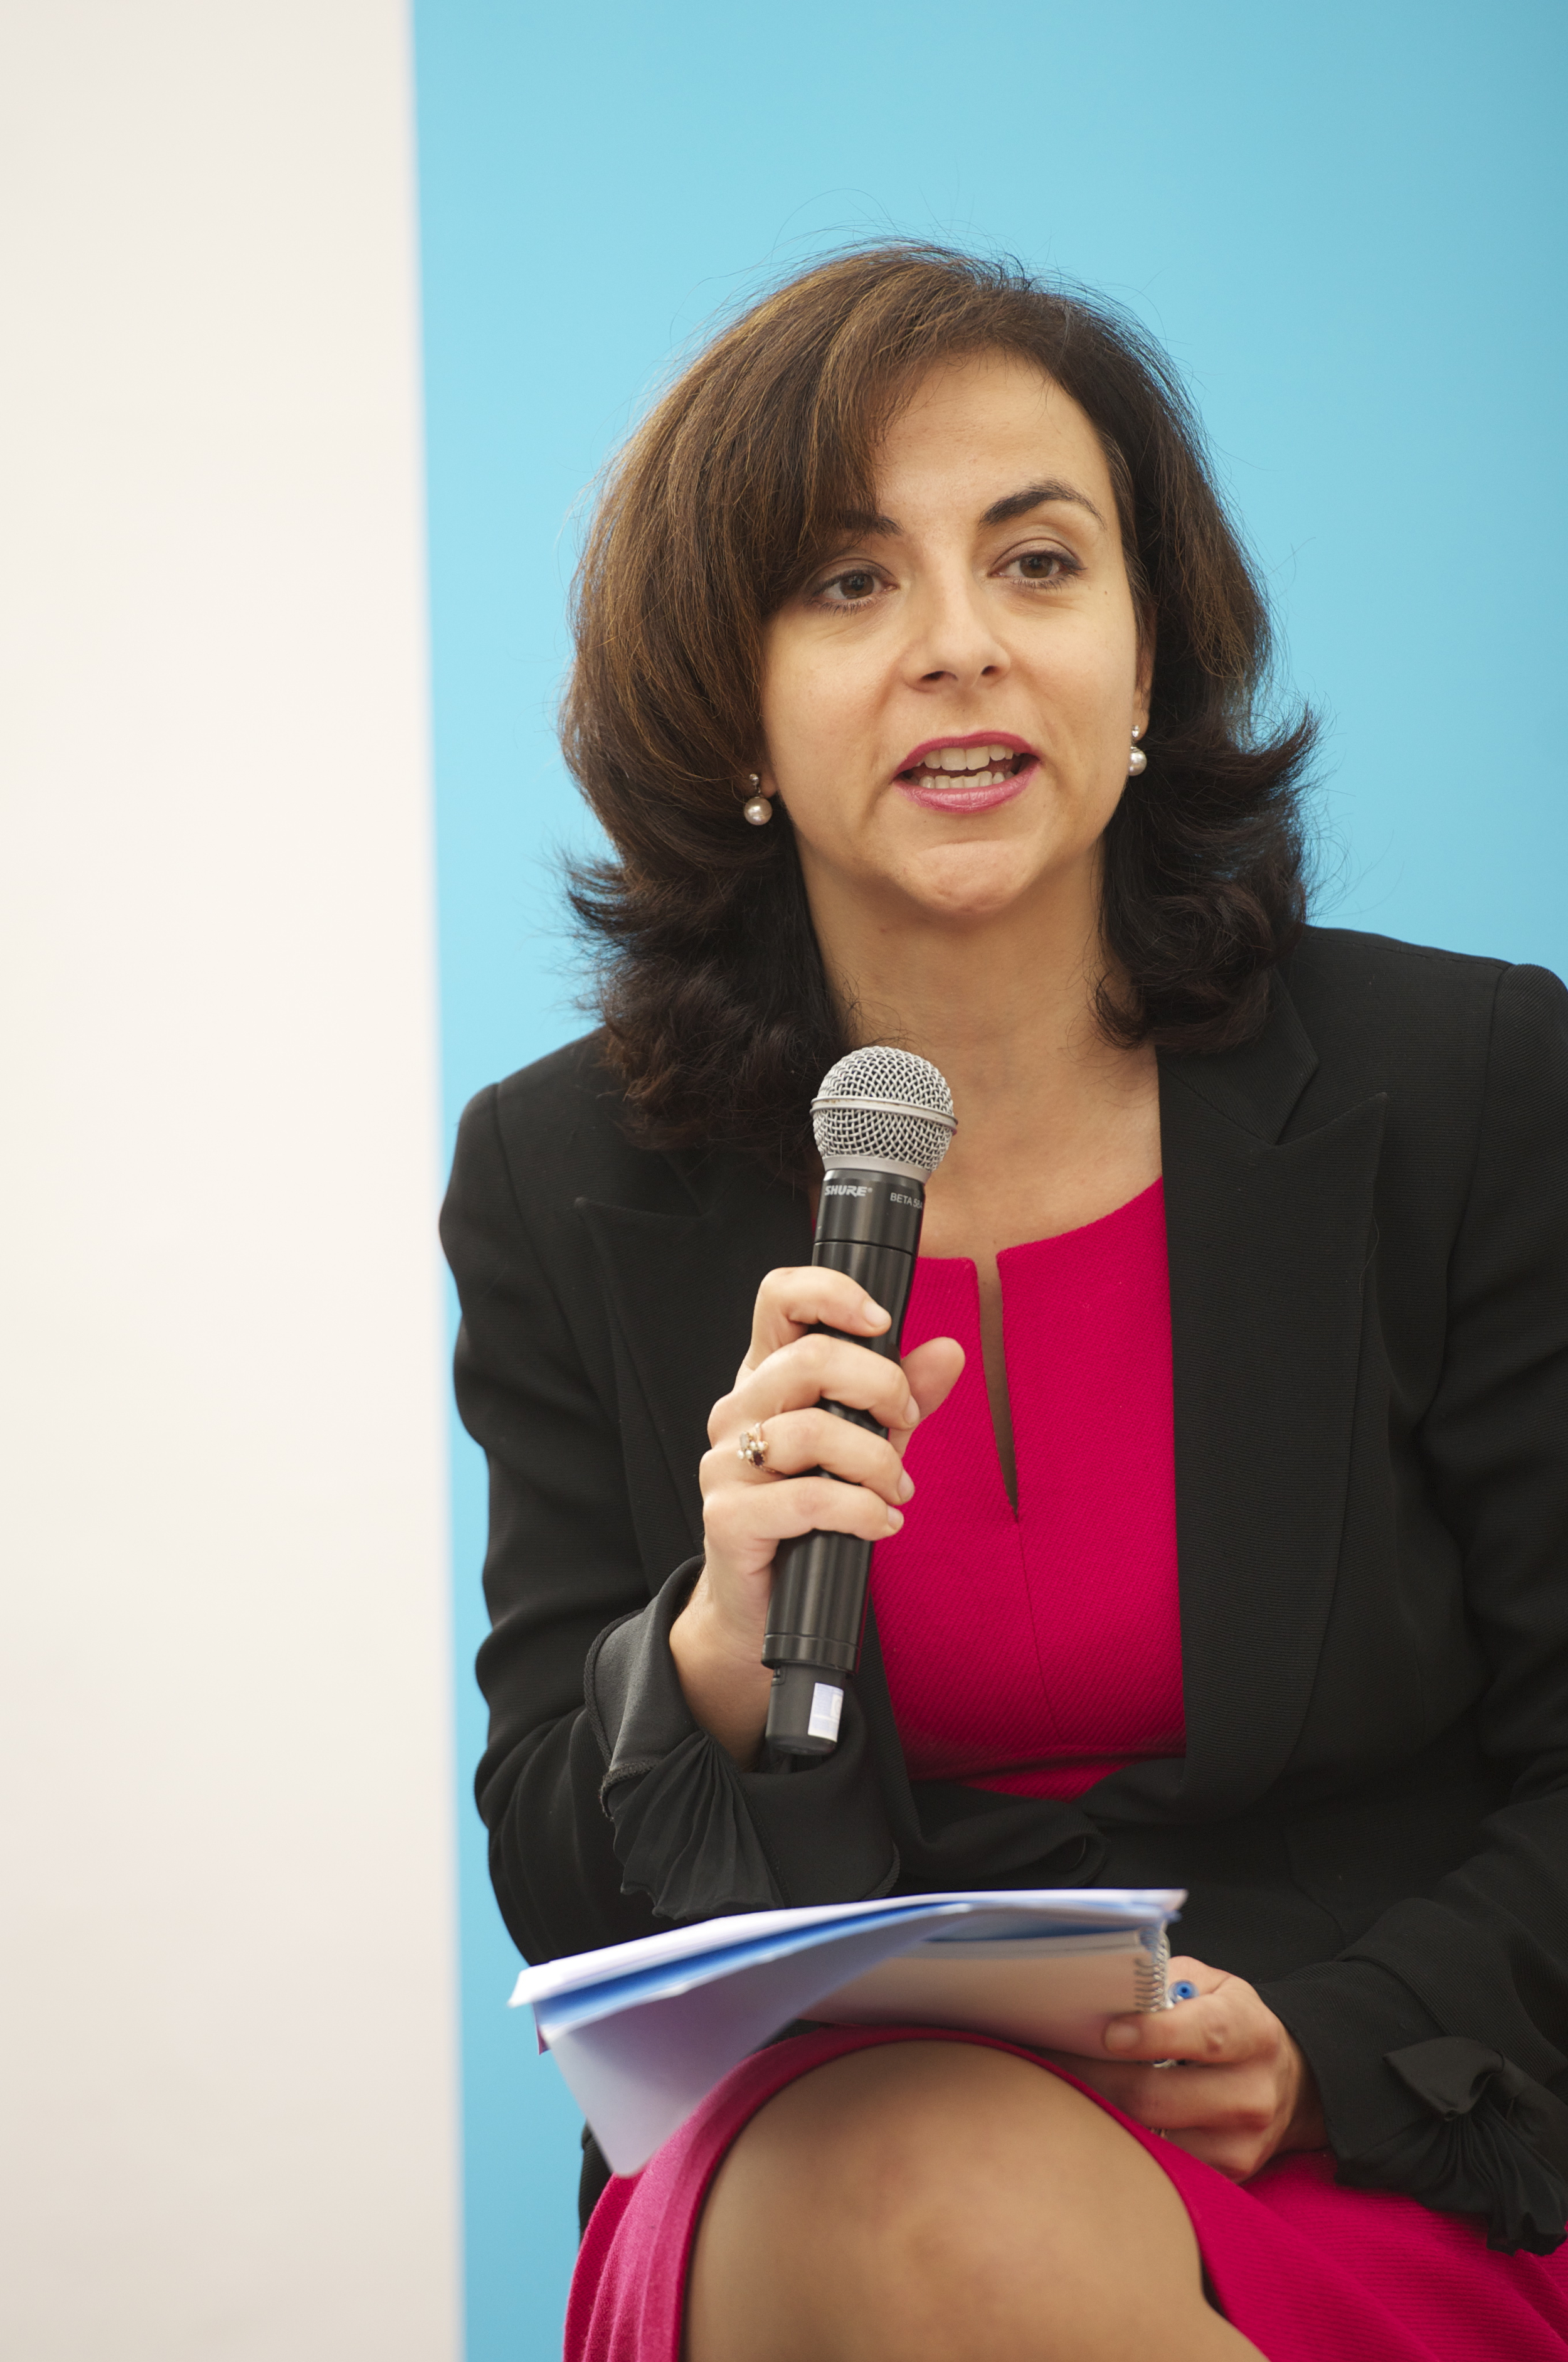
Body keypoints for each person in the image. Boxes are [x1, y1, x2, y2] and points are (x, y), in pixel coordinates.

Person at [440, 245, 1568, 2360]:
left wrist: (1328, 2044)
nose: (958, 649)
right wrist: (694, 1650)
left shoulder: (1466, 1089)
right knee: (930, 2200)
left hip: (1367, 2127)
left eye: (1035, 562)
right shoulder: (568, 1176)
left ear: (1145, 662)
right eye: (849, 585)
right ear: (734, 706)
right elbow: (560, 1890)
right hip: (821, 2154)